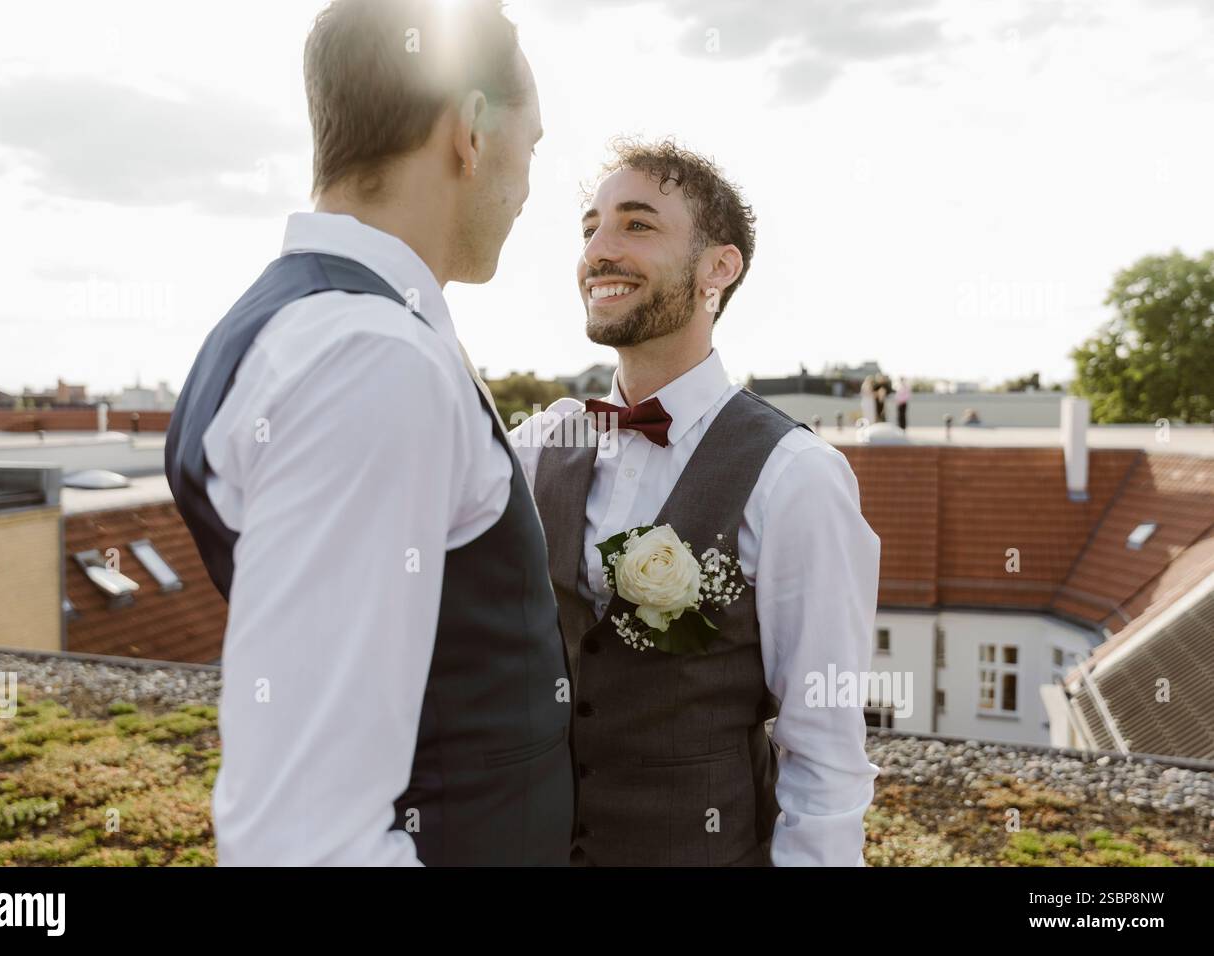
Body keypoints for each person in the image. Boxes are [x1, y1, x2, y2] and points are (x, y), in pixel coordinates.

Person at [164, 0, 572, 865]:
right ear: (468, 129)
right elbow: (305, 839)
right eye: (531, 146)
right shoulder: (370, 358)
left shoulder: (310, 325)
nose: (530, 188)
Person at [511, 139, 882, 866]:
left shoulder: (797, 477)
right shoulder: (536, 446)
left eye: (637, 225)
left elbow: (825, 752)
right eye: (590, 229)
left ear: (719, 267)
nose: (599, 250)